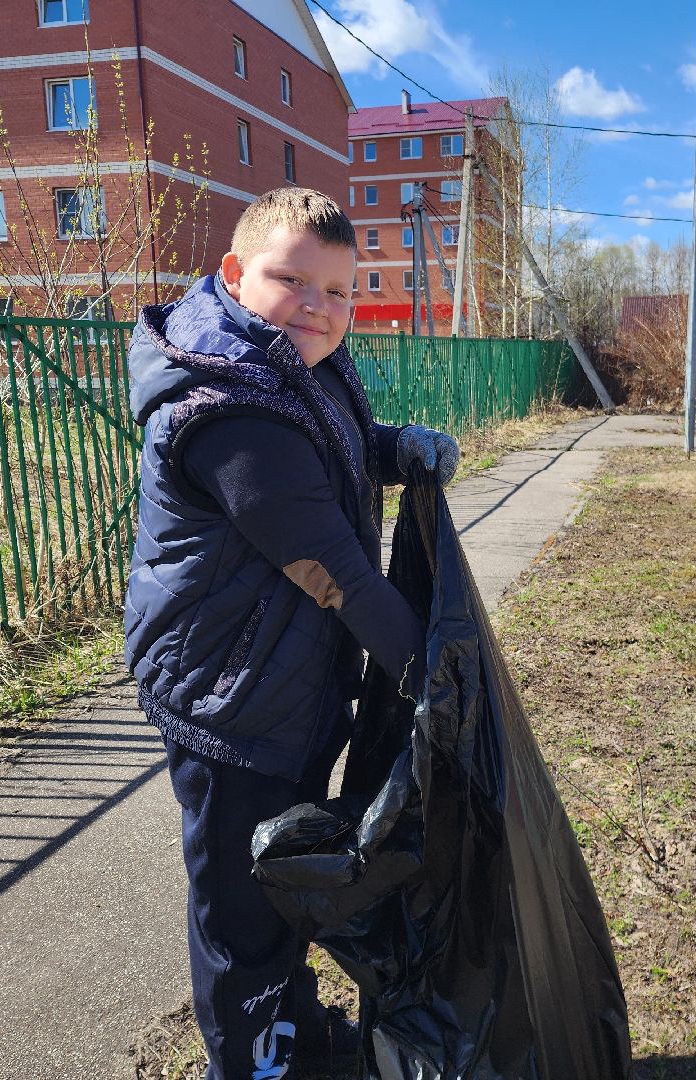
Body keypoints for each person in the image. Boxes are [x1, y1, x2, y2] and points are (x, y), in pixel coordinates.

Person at [123, 188, 459, 1080]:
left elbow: (330, 452)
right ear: (234, 275)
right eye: (293, 280)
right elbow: (331, 566)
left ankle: (295, 1032)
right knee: (242, 915)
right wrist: (437, 677)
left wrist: (396, 449)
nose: (319, 305)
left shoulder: (287, 365)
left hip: (287, 681)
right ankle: (253, 1065)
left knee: (288, 877)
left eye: (341, 291)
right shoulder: (227, 409)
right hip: (231, 699)